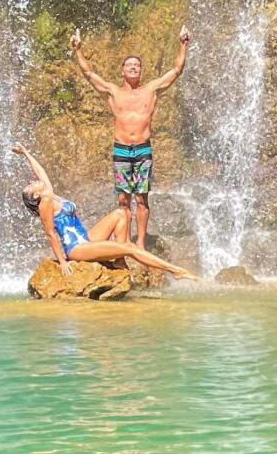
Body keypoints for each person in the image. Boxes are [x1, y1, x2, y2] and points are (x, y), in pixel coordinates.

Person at [69, 25, 189, 248]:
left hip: (143, 150)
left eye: (137, 65)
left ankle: (141, 243)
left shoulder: (151, 90)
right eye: (129, 65)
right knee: (123, 199)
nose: (133, 68)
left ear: (140, 71)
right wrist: (78, 50)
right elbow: (88, 74)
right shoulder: (113, 91)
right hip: (121, 150)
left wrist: (183, 44)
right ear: (122, 70)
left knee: (142, 199)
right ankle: (123, 240)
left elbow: (176, 70)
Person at [12, 144, 196, 281]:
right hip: (76, 248)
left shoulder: (51, 195)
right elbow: (51, 233)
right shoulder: (45, 203)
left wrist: (26, 153)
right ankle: (175, 270)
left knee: (122, 213)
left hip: (86, 238)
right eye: (30, 186)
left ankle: (118, 261)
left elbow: (40, 171)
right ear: (34, 195)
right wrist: (62, 261)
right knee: (130, 247)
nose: (33, 181)